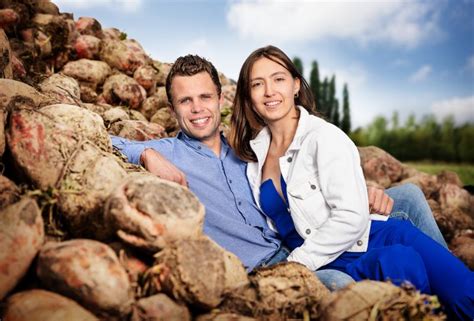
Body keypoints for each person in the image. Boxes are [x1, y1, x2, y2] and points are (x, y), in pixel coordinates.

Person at [111, 54, 446, 290]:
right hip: (266, 270)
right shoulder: (170, 153)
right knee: (341, 284)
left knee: (410, 199)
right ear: (172, 108)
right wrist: (149, 153)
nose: (197, 108)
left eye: (205, 97)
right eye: (185, 101)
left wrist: (361, 191)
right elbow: (98, 137)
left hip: (301, 238)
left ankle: (452, 285)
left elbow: (304, 175)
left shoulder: (247, 146)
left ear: (219, 99)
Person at [229, 45, 473, 320]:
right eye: (257, 84)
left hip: (368, 239)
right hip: (329, 262)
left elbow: (351, 216)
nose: (269, 91)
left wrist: (294, 265)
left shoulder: (324, 137)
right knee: (402, 284)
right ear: (249, 96)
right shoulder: (254, 156)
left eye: (279, 79)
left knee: (466, 299)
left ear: (296, 85)